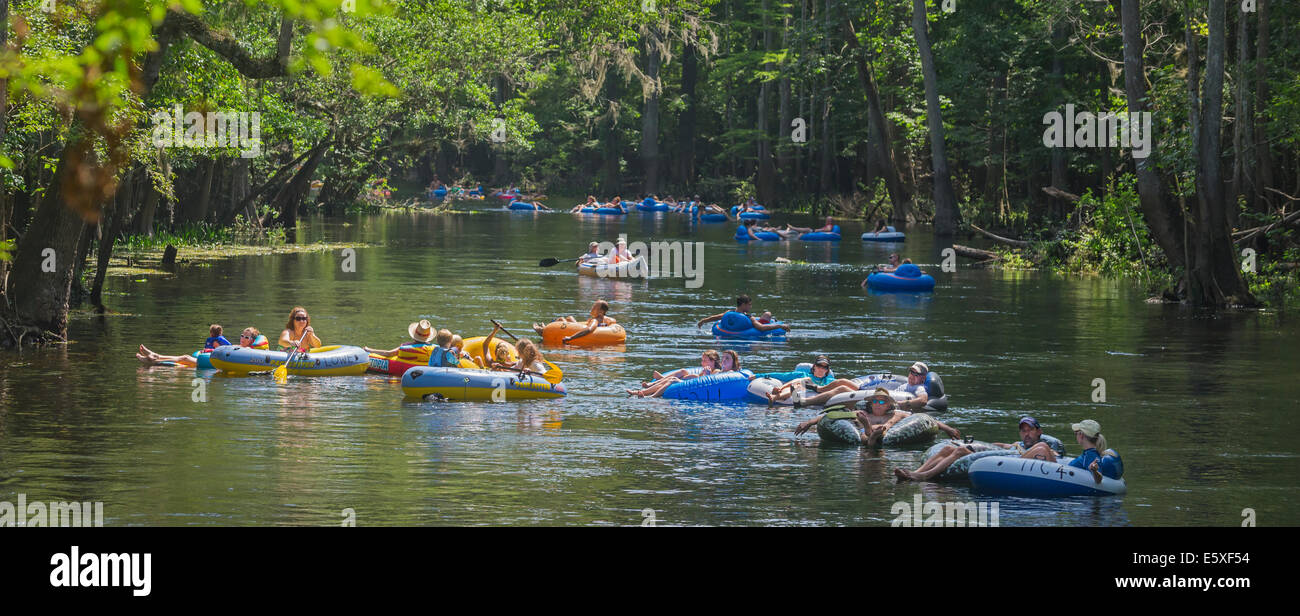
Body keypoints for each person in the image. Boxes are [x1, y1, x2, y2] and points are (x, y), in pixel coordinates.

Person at [892, 416, 1064, 482]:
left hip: (1012, 466)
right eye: (1023, 430)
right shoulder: (1016, 445)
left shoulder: (1042, 446)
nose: (1026, 434)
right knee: (947, 449)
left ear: (1038, 431)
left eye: (1030, 430)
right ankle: (917, 472)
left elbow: (1055, 456)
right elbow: (999, 446)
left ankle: (925, 476)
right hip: (993, 458)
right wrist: (983, 445)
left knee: (959, 451)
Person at [794, 387, 959, 446]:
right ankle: (869, 433)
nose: (878, 404)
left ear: (888, 404)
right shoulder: (862, 414)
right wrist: (809, 422)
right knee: (865, 434)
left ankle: (874, 435)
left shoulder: (896, 414)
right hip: (863, 438)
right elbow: (833, 415)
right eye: (876, 401)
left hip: (887, 438)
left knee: (881, 432)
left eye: (882, 402)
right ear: (870, 403)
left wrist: (948, 429)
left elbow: (928, 419)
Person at [1021, 419, 1123, 483]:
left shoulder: (1091, 455)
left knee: (1041, 448)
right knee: (1043, 446)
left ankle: (1016, 462)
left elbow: (1098, 480)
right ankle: (1018, 459)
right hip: (1059, 472)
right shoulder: (1089, 453)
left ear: (1081, 435)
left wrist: (1094, 470)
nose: (1075, 435)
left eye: (1076, 433)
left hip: (1058, 477)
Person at [796, 361, 932, 409]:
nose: (911, 376)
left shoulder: (918, 388)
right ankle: (818, 388)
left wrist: (900, 405)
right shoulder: (907, 384)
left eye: (916, 374)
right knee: (842, 381)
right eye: (911, 372)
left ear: (922, 378)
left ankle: (804, 402)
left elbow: (923, 400)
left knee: (842, 388)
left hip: (877, 400)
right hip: (873, 393)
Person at [137, 327, 267, 366]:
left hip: (213, 364)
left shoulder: (249, 351)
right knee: (182, 364)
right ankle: (154, 358)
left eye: (246, 337)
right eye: (242, 335)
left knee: (185, 358)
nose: (243, 338)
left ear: (252, 340)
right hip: (213, 362)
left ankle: (155, 358)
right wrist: (211, 349)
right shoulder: (238, 346)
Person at [751, 355, 837, 406]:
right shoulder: (802, 375)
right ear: (814, 366)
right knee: (799, 384)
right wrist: (758, 375)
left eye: (824, 367)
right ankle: (775, 397)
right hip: (796, 398)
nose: (821, 369)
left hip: (816, 402)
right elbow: (780, 375)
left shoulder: (830, 381)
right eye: (819, 366)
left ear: (827, 370)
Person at [631, 350, 722, 396]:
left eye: (705, 361)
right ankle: (653, 384)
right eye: (702, 360)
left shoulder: (716, 371)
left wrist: (707, 374)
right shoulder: (705, 369)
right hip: (687, 383)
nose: (702, 363)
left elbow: (709, 384)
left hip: (694, 387)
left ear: (713, 361)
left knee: (673, 380)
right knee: (683, 371)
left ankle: (647, 392)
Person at [696, 294, 791, 334]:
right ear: (743, 305)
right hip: (750, 328)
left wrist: (703, 321)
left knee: (767, 314)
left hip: (733, 329)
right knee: (768, 314)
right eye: (749, 305)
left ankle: (769, 319)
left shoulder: (729, 313)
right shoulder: (749, 317)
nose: (750, 307)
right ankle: (772, 320)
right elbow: (761, 328)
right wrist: (779, 326)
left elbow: (716, 317)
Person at [532, 300, 617, 343]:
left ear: (601, 312)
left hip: (579, 334)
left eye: (595, 307)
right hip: (591, 328)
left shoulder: (595, 320)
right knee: (570, 318)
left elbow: (589, 329)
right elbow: (612, 323)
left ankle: (544, 331)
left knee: (561, 319)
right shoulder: (610, 320)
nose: (592, 307)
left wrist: (571, 338)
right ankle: (546, 327)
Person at [363, 319, 437, 358]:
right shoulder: (433, 349)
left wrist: (369, 349)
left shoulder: (405, 347)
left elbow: (388, 353)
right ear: (428, 337)